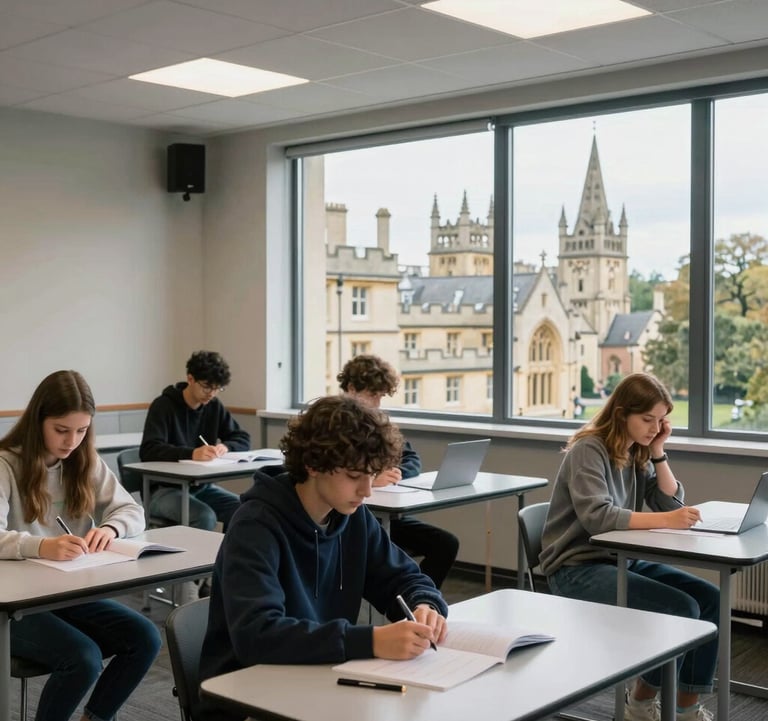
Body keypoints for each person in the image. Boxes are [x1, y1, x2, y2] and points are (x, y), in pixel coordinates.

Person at [198, 395, 448, 721]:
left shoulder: (351, 516)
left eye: (372, 475)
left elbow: (402, 576)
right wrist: (370, 641)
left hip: (323, 676)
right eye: (355, 476)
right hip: (246, 696)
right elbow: (257, 635)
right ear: (314, 465)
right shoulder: (255, 525)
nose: (367, 491)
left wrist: (425, 603)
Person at [539, 372, 718, 721]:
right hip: (576, 568)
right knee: (680, 609)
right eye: (647, 419)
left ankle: (685, 708)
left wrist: (658, 452)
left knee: (710, 598)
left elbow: (666, 503)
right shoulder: (588, 449)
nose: (654, 427)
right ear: (622, 414)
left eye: (661, 420)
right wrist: (669, 520)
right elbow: (599, 517)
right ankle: (638, 704)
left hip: (621, 561)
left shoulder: (638, 449)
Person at [0, 370, 162, 721]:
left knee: (146, 637)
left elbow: (133, 510)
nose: (71, 441)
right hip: (14, 605)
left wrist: (112, 528)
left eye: (82, 430)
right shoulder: (5, 464)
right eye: (61, 430)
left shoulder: (84, 460)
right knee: (83, 658)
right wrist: (41, 547)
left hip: (66, 592)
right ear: (38, 421)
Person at [337, 354, 460, 588]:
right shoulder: (335, 423)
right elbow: (335, 473)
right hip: (348, 518)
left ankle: (418, 603)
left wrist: (393, 472)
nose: (377, 403)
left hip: (386, 518)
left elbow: (411, 458)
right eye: (373, 395)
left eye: (381, 396)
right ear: (352, 389)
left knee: (446, 543)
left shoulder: (378, 422)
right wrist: (372, 478)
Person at [140, 350, 251, 531]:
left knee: (242, 509)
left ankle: (229, 559)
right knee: (204, 516)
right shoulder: (163, 406)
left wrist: (226, 446)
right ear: (190, 379)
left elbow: (242, 437)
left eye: (217, 388)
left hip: (201, 488)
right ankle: (200, 560)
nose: (211, 394)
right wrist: (191, 453)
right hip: (162, 490)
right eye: (207, 387)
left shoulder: (213, 406)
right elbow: (149, 450)